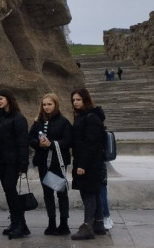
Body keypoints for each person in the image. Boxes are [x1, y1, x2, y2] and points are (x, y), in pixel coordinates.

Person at [0, 89, 30, 239]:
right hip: (1, 159)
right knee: (8, 191)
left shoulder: (18, 118)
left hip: (13, 161)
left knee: (10, 190)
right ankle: (19, 223)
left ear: (8, 99)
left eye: (1, 99)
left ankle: (18, 224)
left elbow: (23, 143)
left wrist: (23, 165)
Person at [28, 93, 73, 235]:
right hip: (43, 163)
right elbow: (30, 138)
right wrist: (39, 144)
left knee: (61, 193)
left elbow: (68, 141)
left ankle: (64, 224)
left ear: (55, 105)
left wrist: (51, 144)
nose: (46, 107)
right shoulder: (38, 122)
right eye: (44, 104)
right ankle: (51, 223)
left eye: (49, 104)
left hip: (57, 163)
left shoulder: (63, 122)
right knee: (47, 194)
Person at [70, 88, 107, 240]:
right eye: (73, 100)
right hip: (88, 161)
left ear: (85, 100)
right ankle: (98, 224)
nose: (75, 103)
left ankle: (87, 226)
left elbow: (91, 144)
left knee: (88, 193)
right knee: (95, 192)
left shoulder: (91, 117)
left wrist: (82, 165)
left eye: (78, 99)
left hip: (89, 163)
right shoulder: (83, 116)